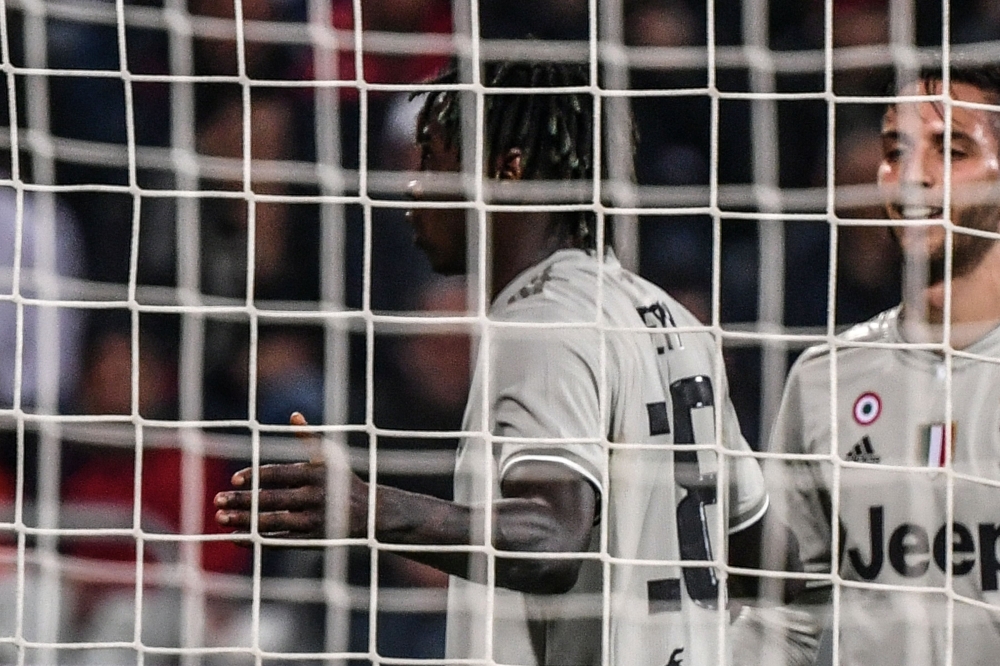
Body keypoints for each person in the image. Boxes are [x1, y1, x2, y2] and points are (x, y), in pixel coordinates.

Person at [214, 60, 805, 666]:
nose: (412, 187)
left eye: (433, 160)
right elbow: (770, 559)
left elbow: (551, 542)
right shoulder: (671, 319)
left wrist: (369, 510)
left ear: (508, 168)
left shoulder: (543, 319)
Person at [763, 63, 1000, 666]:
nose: (913, 176)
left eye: (952, 150)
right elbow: (785, 612)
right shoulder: (824, 378)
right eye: (896, 152)